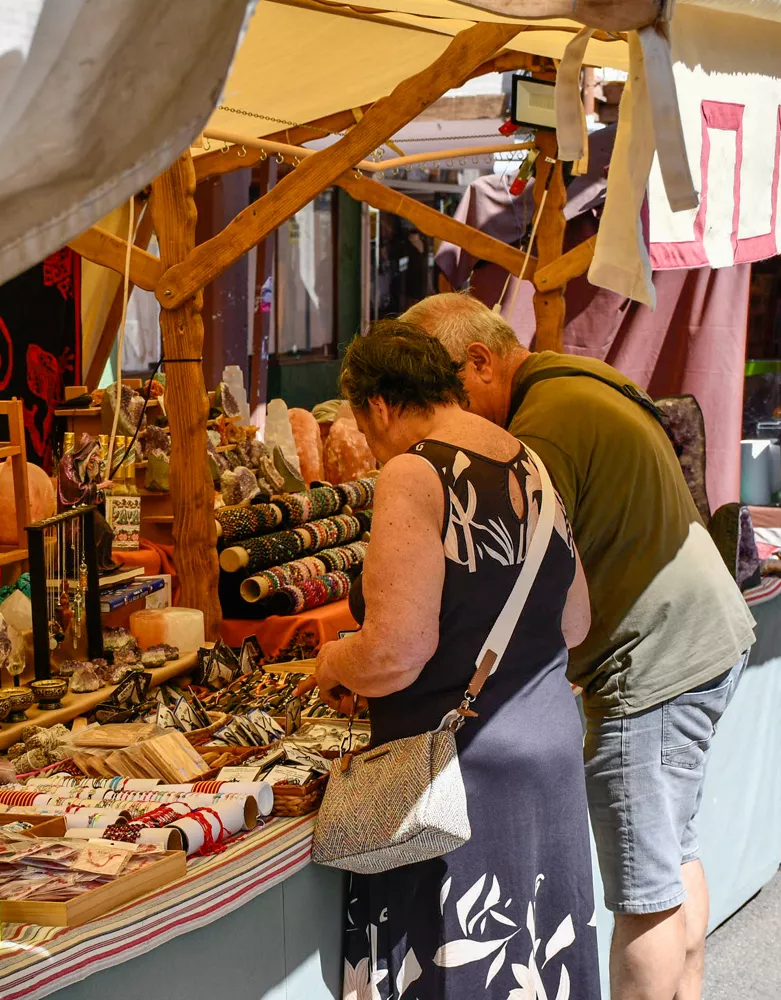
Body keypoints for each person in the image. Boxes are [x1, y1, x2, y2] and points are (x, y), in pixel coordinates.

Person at [401, 292, 755, 1000]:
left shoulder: (545, 425)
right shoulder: (574, 381)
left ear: (480, 360)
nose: (447, 416)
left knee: (643, 889)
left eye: (447, 394)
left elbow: (523, 576)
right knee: (671, 857)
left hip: (650, 663)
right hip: (701, 638)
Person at [302, 320, 601, 1000]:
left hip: (462, 782)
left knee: (461, 968)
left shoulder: (414, 471)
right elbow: (576, 620)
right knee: (537, 962)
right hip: (547, 754)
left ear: (377, 406)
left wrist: (333, 663)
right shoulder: (532, 463)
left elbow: (395, 652)